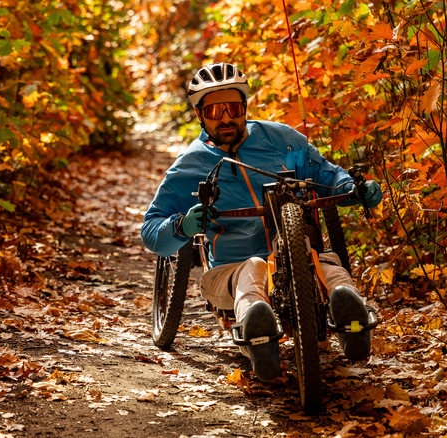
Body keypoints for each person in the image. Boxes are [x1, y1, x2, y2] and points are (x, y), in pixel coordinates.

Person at [141, 63, 383, 381]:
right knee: (254, 267)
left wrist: (355, 190)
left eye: (233, 107)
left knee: (327, 267)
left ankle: (351, 320)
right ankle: (259, 333)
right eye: (215, 110)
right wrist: (181, 226)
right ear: (200, 115)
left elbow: (327, 176)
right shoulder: (191, 164)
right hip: (230, 272)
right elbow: (150, 230)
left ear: (245, 108)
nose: (226, 117)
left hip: (297, 260)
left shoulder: (283, 140)